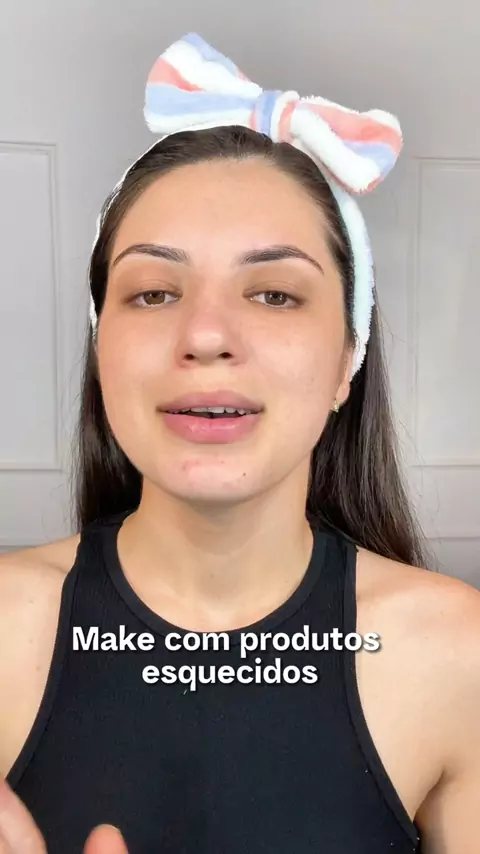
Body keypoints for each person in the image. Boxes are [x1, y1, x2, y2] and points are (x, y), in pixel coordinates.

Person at [0, 32, 479, 854]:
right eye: (154, 292)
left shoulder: (459, 654)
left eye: (274, 294)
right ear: (102, 349)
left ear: (348, 359)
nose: (206, 334)